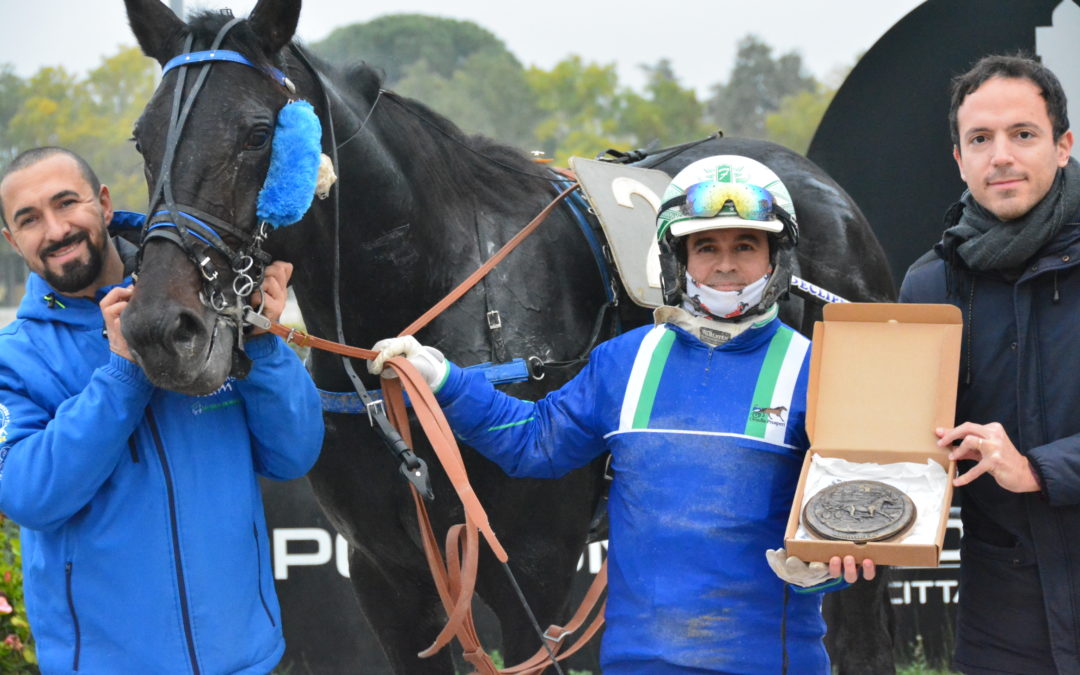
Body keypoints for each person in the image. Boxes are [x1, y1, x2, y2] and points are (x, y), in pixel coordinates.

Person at [370, 155, 874, 674]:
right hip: (640, 662)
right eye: (706, 246)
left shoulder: (818, 371)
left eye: (745, 245)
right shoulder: (624, 361)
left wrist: (833, 565)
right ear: (677, 259)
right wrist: (445, 382)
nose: (725, 264)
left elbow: (853, 515)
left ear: (776, 255)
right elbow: (534, 443)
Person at [0, 146, 324, 673]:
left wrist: (263, 345)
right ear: (13, 241)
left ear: (104, 204)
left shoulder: (205, 306)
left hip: (244, 660)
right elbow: (28, 495)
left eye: (67, 203)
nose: (55, 229)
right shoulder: (13, 357)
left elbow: (294, 454)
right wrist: (122, 374)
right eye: (29, 219)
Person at [899, 54, 1078, 674]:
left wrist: (1039, 468)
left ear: (1063, 145)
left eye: (1022, 134)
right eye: (980, 139)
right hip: (1002, 614)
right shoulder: (928, 286)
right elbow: (902, 446)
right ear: (959, 158)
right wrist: (854, 517)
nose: (1000, 155)